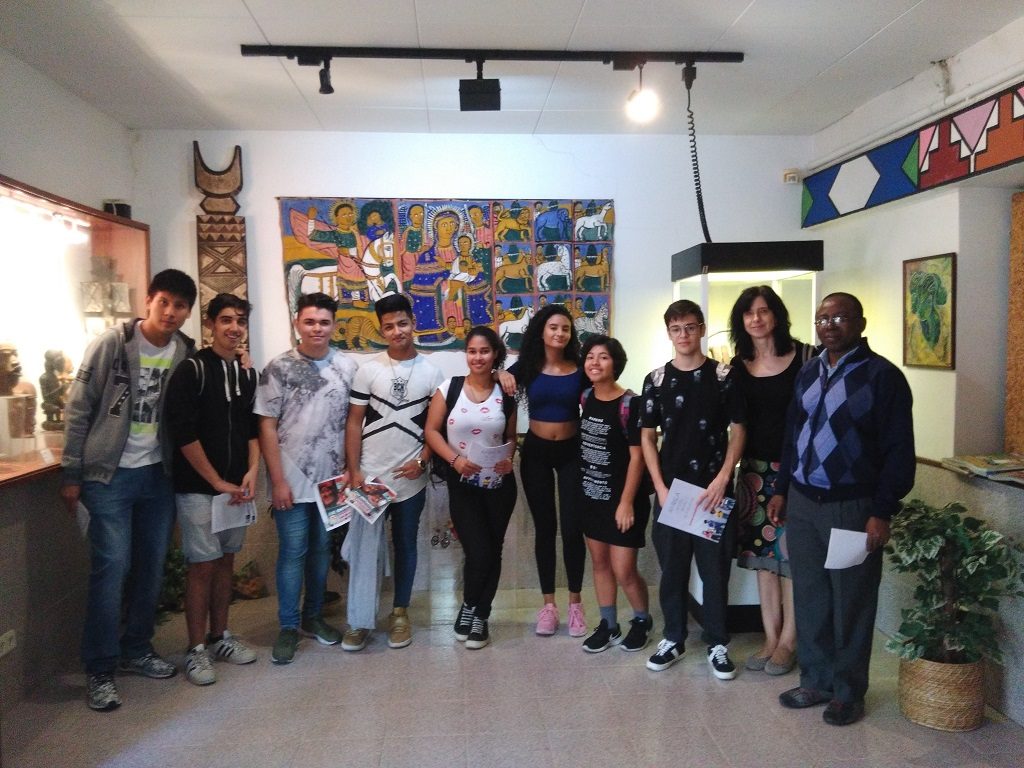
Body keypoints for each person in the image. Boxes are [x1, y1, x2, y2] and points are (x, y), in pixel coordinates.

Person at [769, 292, 915, 726]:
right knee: (810, 596)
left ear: (860, 323)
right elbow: (791, 434)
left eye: (839, 318)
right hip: (803, 503)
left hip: (852, 507)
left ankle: (848, 692)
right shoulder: (809, 370)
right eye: (822, 319)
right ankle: (816, 681)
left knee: (851, 600)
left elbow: (899, 452)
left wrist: (882, 511)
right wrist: (781, 489)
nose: (829, 326)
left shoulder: (883, 377)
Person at [61, 268, 198, 711]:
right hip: (109, 476)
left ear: (188, 312)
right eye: (164, 302)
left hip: (158, 475)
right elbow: (79, 407)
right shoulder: (112, 344)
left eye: (180, 306)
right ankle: (100, 667)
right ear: (149, 302)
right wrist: (71, 472)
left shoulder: (186, 352)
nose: (170, 312)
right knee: (112, 567)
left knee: (151, 567)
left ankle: (137, 648)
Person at [639, 299, 746, 678]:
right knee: (672, 569)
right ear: (668, 333)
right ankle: (673, 638)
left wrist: (723, 478)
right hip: (672, 491)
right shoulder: (656, 380)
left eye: (689, 327)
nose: (683, 334)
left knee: (714, 571)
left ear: (701, 328)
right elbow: (647, 437)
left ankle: (717, 642)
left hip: (713, 491)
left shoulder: (724, 376)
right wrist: (659, 487)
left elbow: (739, 430)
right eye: (676, 328)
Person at [256, 292, 357, 665]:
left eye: (324, 322)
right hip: (291, 477)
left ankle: (313, 617)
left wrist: (351, 470)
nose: (317, 328)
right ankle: (288, 626)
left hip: (333, 480)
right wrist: (277, 480)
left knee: (320, 551)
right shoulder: (279, 368)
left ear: (334, 325)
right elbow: (266, 426)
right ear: (298, 323)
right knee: (293, 552)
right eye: (310, 321)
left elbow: (354, 423)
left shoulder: (347, 367)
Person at [164, 293, 259, 685]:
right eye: (226, 320)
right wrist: (215, 481)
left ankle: (220, 637)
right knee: (201, 565)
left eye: (240, 321)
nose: (234, 328)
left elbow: (252, 427)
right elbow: (183, 433)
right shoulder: (192, 370)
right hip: (198, 489)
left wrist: (253, 471)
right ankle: (196, 649)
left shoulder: (247, 373)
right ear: (210, 324)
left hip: (236, 488)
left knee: (225, 562)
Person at [342, 293, 442, 652]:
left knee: (405, 543)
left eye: (402, 323)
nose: (397, 331)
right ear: (381, 330)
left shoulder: (432, 372)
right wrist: (354, 469)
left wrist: (423, 460)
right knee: (365, 550)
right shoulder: (368, 370)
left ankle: (400, 613)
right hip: (369, 477)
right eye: (389, 326)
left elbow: (435, 427)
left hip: (410, 479)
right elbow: (353, 423)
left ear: (413, 323)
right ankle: (359, 619)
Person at [728, 286, 815, 676]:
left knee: (791, 556)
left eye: (763, 311)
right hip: (753, 471)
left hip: (797, 471)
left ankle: (789, 641)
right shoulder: (738, 365)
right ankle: (770, 636)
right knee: (764, 560)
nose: (756, 319)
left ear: (776, 315)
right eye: (749, 313)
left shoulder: (806, 357)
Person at [425, 326, 518, 649]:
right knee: (478, 550)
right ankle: (468, 604)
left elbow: (510, 437)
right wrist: (455, 460)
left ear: (495, 355)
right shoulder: (449, 389)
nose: (477, 357)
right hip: (463, 484)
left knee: (494, 550)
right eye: (472, 351)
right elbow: (431, 431)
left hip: (499, 484)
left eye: (484, 351)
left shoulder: (507, 392)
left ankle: (480, 614)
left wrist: (510, 458)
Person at [498, 304, 587, 637]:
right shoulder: (529, 366)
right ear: (542, 331)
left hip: (572, 453)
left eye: (565, 328)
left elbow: (604, 388)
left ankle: (575, 604)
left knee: (573, 528)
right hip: (535, 452)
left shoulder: (580, 367)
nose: (559, 333)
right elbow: (495, 379)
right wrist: (501, 373)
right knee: (545, 529)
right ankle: (548, 606)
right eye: (553, 327)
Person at [576, 335, 653, 654]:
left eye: (603, 357)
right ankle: (608, 624)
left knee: (624, 569)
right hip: (591, 497)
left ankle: (642, 620)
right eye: (590, 356)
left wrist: (626, 503)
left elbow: (638, 457)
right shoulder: (585, 397)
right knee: (600, 563)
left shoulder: (630, 404)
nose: (595, 362)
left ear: (616, 364)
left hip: (624, 501)